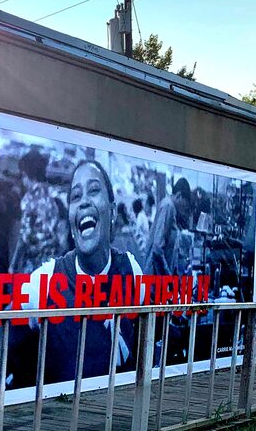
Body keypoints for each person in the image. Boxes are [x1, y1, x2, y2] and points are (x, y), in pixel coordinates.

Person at [18, 159, 143, 385]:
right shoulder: (43, 282)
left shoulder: (131, 271)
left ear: (113, 211)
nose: (84, 201)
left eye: (94, 191)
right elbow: (1, 336)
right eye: (75, 196)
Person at [10, 147, 60, 274]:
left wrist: (13, 264)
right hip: (52, 263)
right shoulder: (53, 196)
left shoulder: (29, 199)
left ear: (25, 175)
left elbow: (24, 237)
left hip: (34, 264)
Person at [145, 177, 192, 276]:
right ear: (179, 196)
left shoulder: (171, 209)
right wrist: (167, 275)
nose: (184, 210)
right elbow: (157, 247)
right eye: (184, 205)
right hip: (156, 279)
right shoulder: (168, 206)